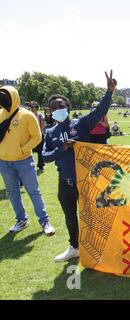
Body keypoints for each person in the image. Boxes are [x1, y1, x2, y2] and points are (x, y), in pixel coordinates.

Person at [43, 70, 117, 262]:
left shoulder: (81, 124)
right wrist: (62, 148)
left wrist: (109, 92)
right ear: (49, 111)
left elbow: (99, 111)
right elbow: (45, 156)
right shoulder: (50, 133)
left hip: (85, 180)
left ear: (67, 107)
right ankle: (74, 247)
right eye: (53, 107)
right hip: (64, 181)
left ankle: (97, 247)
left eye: (61, 106)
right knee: (70, 217)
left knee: (91, 215)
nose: (57, 109)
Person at [0, 86, 55, 235]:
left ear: (14, 96)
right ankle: (21, 220)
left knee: (33, 191)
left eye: (5, 96)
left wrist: (22, 149)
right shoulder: (0, 114)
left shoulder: (27, 115)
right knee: (12, 192)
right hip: (4, 162)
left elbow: (37, 137)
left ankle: (45, 221)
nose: (2, 99)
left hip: (24, 160)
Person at [30, 101, 46, 171]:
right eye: (32, 107)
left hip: (39, 136)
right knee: (29, 152)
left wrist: (38, 134)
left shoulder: (40, 115)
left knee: (40, 152)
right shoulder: (29, 115)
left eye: (35, 107)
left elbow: (43, 126)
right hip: (30, 136)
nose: (34, 108)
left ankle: (41, 166)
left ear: (37, 107)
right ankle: (29, 165)